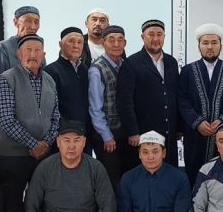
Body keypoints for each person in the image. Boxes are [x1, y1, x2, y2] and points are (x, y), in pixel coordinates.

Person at [178, 23, 223, 185]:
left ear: (220, 46)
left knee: (222, 174)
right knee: (194, 172)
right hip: (195, 134)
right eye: (205, 43)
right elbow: (182, 100)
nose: (210, 47)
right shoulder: (187, 71)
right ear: (199, 47)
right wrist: (198, 122)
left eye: (214, 43)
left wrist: (222, 120)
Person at [0, 35, 59, 195]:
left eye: (37, 50)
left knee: (41, 200)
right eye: (28, 50)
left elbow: (55, 116)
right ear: (19, 54)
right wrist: (34, 145)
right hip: (12, 156)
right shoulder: (7, 79)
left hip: (43, 154)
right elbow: (6, 120)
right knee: (11, 202)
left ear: (43, 55)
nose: (33, 54)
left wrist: (46, 143)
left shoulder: (50, 80)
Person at [117, 19, 180, 169]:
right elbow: (124, 101)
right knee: (145, 171)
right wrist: (132, 131)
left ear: (164, 37)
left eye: (159, 34)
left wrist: (179, 127)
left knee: (169, 171)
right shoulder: (131, 63)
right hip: (143, 131)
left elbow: (176, 95)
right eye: (151, 34)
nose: (155, 38)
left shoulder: (171, 62)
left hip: (169, 131)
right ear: (142, 37)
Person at [88, 25, 129, 189]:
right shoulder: (96, 69)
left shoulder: (126, 65)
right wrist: (107, 136)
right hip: (107, 136)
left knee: (126, 179)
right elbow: (95, 108)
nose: (116, 44)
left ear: (125, 43)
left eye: (120, 40)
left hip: (125, 133)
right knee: (111, 182)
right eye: (111, 40)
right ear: (103, 42)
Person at [44, 27, 90, 153]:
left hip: (84, 134)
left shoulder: (85, 70)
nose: (76, 46)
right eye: (71, 41)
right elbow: (50, 108)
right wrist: (65, 129)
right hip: (63, 136)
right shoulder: (51, 71)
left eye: (79, 42)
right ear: (60, 44)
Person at [0, 6, 41, 75]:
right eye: (28, 21)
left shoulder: (38, 48)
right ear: (16, 22)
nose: (33, 27)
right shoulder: (3, 48)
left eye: (36, 22)